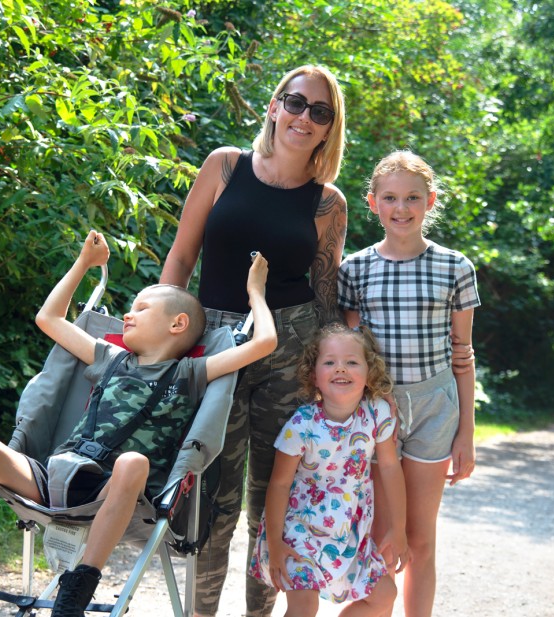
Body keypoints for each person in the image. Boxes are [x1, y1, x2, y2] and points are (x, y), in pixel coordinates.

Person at [0, 230, 277, 617]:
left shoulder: (191, 373)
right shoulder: (109, 358)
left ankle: (75, 592)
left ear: (178, 324)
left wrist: (255, 293)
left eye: (140, 308)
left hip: (118, 495)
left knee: (132, 461)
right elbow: (50, 319)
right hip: (57, 478)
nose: (127, 316)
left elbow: (264, 344)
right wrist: (83, 263)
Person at [159, 65, 348, 617]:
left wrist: (328, 376)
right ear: (273, 106)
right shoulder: (224, 166)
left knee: (274, 500)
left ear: (329, 127)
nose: (304, 117)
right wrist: (161, 333)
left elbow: (326, 296)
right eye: (296, 102)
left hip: (290, 353)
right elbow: (181, 257)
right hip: (215, 345)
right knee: (212, 492)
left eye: (320, 111)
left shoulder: (327, 203)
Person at [338, 151, 480, 617]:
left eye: (413, 198)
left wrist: (467, 435)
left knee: (421, 536)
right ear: (373, 203)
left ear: (430, 201)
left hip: (437, 407)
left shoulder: (455, 267)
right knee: (384, 533)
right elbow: (350, 354)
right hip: (380, 410)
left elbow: (463, 355)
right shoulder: (354, 270)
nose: (402, 208)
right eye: (391, 198)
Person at [249, 323, 408, 616]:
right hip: (299, 531)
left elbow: (389, 466)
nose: (341, 369)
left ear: (369, 374)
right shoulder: (301, 425)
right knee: (303, 606)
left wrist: (399, 529)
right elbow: (280, 485)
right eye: (330, 362)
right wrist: (274, 543)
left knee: (385, 594)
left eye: (351, 362)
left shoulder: (377, 413)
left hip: (349, 532)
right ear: (314, 376)